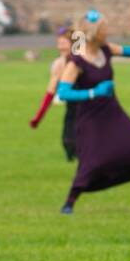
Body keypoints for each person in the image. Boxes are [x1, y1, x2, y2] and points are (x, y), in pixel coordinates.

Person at [57, 10, 130, 214]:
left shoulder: (105, 49)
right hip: (90, 118)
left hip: (112, 113)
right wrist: (92, 92)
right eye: (104, 29)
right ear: (94, 33)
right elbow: (63, 92)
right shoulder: (77, 61)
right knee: (92, 162)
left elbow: (125, 50)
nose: (108, 32)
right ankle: (69, 203)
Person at [29, 25, 79, 160]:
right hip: (72, 109)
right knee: (68, 143)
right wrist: (38, 117)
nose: (60, 47)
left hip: (90, 108)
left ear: (73, 44)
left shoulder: (82, 61)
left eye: (63, 43)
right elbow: (50, 93)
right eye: (58, 43)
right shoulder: (58, 64)